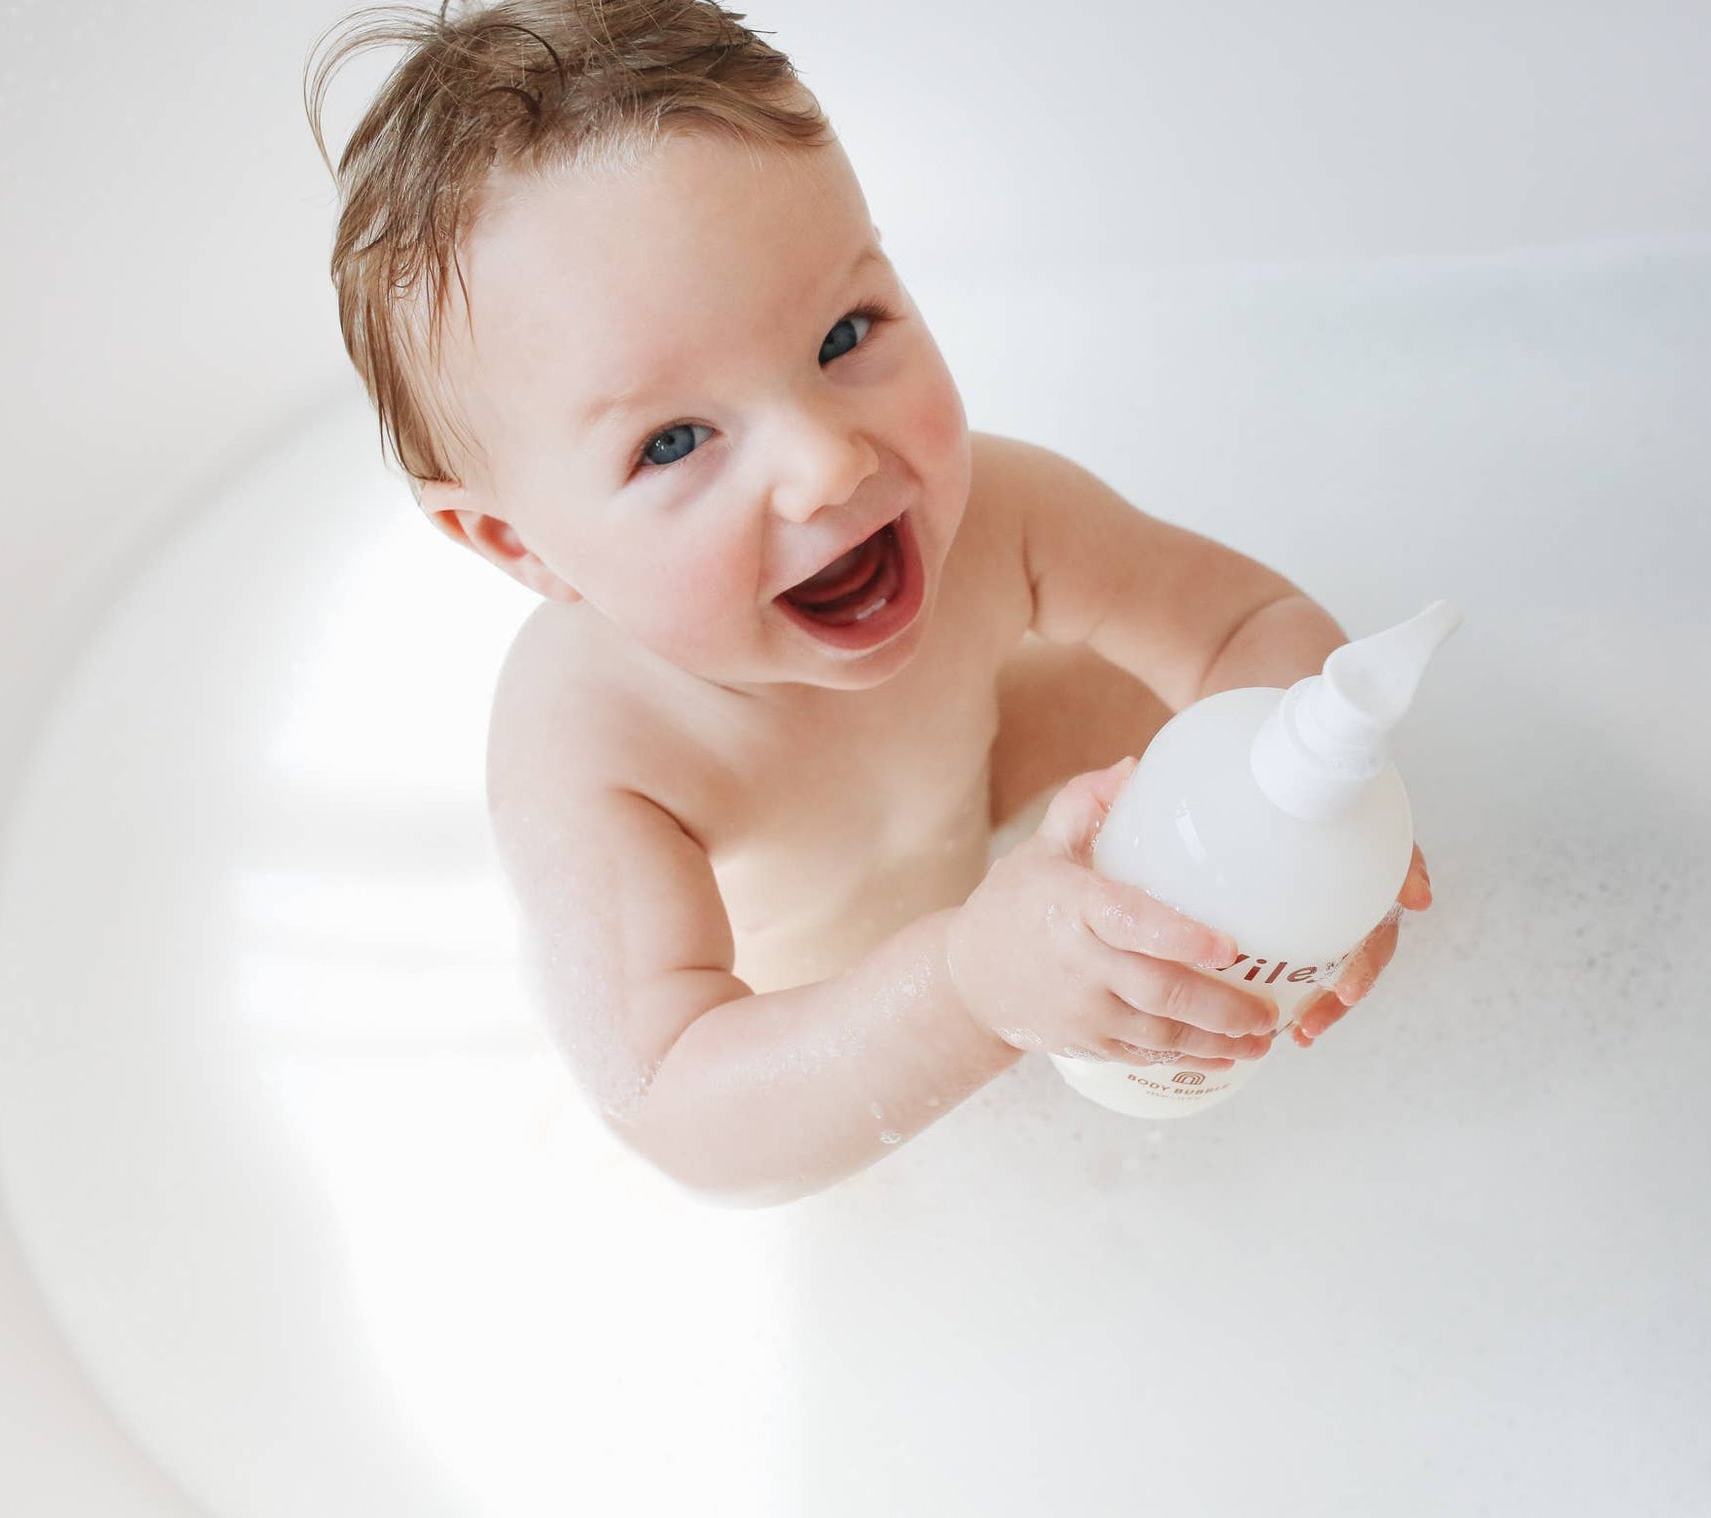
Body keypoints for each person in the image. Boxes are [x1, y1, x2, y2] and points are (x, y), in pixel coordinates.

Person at [305, 0, 1430, 1207]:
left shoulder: (998, 516)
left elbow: (1242, 627)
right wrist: (969, 988)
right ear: (513, 539)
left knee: (1190, 711)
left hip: (994, 851)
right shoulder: (592, 740)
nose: (828, 463)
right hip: (832, 1075)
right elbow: (676, 1108)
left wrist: (1291, 832)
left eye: (846, 332)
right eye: (675, 440)